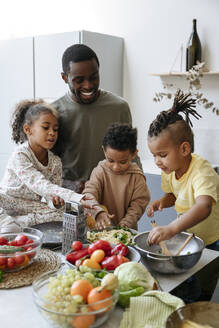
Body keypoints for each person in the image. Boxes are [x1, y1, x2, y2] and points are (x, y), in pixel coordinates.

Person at [52, 44, 142, 193]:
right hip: (70, 200)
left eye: (94, 77)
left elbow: (131, 154)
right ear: (64, 77)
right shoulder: (53, 113)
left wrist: (139, 187)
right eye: (79, 80)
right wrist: (70, 185)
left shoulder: (119, 107)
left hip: (112, 197)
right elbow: (43, 168)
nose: (88, 85)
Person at [0, 99, 91, 233]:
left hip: (30, 208)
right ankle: (8, 223)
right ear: (28, 129)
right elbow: (39, 184)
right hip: (7, 203)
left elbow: (51, 196)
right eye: (45, 127)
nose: (52, 133)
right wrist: (75, 197)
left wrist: (55, 203)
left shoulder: (55, 162)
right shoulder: (20, 154)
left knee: (64, 215)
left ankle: (19, 223)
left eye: (55, 129)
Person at [146, 90, 219, 250]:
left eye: (162, 155)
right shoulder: (169, 170)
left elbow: (204, 206)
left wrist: (172, 228)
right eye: (154, 155)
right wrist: (163, 202)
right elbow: (174, 195)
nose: (157, 161)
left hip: (213, 241)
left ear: (184, 149)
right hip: (188, 236)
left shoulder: (202, 171)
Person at [82, 123, 150, 230]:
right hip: (98, 230)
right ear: (104, 150)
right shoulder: (100, 171)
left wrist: (123, 227)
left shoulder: (137, 177)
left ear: (133, 154)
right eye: (111, 160)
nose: (116, 167)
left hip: (125, 233)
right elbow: (88, 194)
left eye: (122, 162)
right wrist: (98, 212)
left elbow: (138, 206)